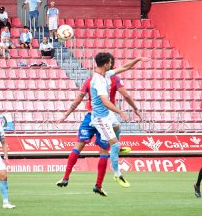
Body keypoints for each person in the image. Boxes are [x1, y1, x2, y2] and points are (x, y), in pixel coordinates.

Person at [56, 56, 147, 192]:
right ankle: (115, 174)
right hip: (98, 117)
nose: (112, 65)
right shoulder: (97, 81)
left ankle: (95, 184)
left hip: (104, 115)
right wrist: (121, 112)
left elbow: (124, 67)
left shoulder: (107, 75)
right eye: (110, 63)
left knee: (116, 128)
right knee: (105, 146)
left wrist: (138, 59)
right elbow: (109, 99)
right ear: (106, 64)